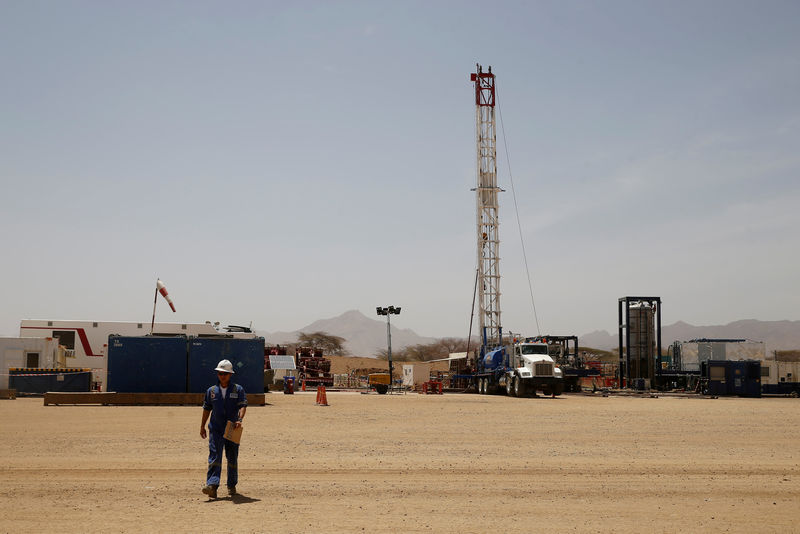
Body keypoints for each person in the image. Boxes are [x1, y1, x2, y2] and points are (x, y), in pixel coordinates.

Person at [200, 359, 247, 499]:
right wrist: (202, 426)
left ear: (230, 374)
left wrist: (239, 420)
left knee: (232, 457)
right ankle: (212, 486)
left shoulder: (238, 390)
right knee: (215, 456)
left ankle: (231, 485)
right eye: (220, 373)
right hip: (216, 429)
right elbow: (206, 409)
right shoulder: (211, 391)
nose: (222, 376)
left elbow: (242, 406)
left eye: (225, 374)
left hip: (232, 428)